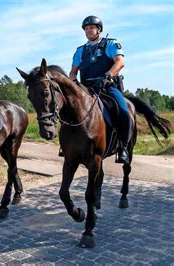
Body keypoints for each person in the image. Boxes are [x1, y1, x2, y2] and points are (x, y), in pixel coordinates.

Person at [69, 15, 130, 164]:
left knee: (123, 110)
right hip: (86, 88)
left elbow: (120, 63)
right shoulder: (80, 51)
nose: (89, 30)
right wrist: (73, 82)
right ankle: (68, 145)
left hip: (106, 87)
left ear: (99, 29)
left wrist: (108, 75)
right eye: (86, 28)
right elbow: (72, 72)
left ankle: (123, 146)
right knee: (69, 109)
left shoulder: (110, 44)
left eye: (92, 27)